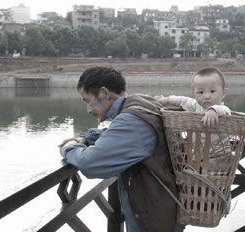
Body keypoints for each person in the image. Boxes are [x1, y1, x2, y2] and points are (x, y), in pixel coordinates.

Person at [58, 67, 182, 232]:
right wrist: (86, 138)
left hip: (153, 219)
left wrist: (69, 148)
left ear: (104, 93)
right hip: (159, 208)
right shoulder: (141, 102)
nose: (88, 110)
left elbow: (90, 163)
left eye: (87, 100)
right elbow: (115, 134)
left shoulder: (132, 121)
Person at [155, 67, 232, 174]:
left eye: (212, 91)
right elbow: (182, 100)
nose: (206, 96)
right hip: (199, 157)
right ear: (194, 94)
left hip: (219, 157)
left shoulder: (222, 109)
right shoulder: (196, 106)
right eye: (200, 92)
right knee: (195, 178)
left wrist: (213, 110)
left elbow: (225, 110)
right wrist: (166, 99)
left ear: (223, 93)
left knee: (212, 181)